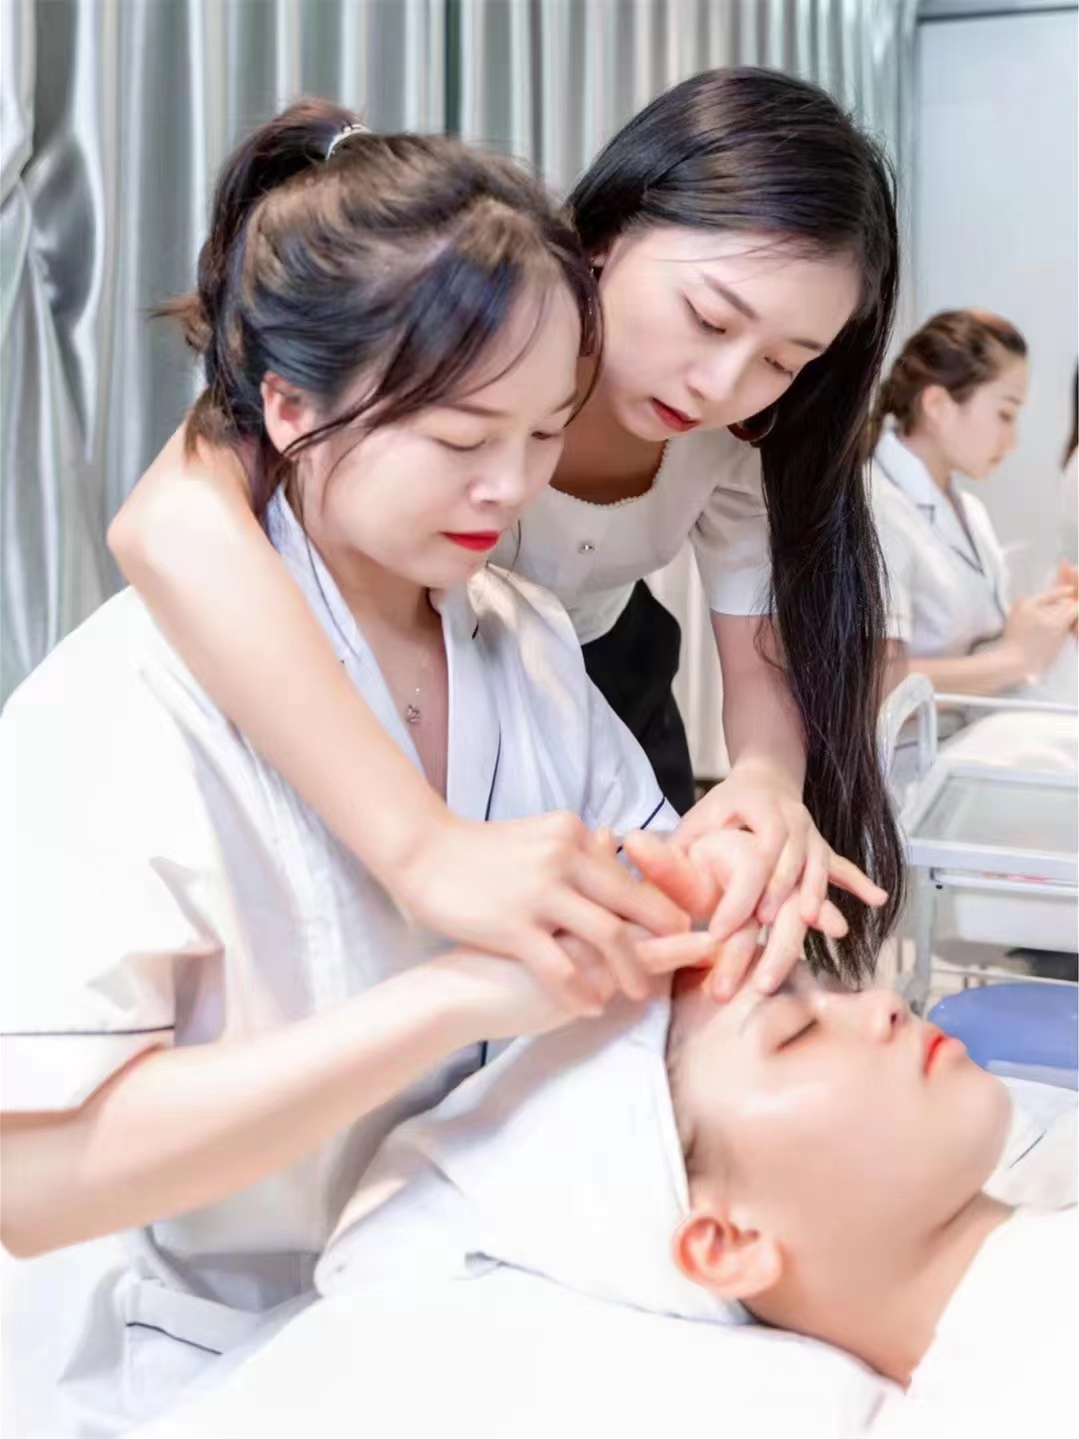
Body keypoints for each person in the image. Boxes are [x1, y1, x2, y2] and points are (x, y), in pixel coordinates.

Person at [3, 99, 810, 1436]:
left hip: (441, 1309)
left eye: (543, 433)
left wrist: (714, 868)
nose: (510, 488)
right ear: (289, 405)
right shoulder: (126, 698)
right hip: (182, 1357)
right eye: (458, 438)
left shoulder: (522, 641)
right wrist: (447, 997)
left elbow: (639, 862)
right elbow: (31, 1182)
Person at [108, 67, 905, 992]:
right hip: (393, 656)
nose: (721, 386)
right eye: (707, 319)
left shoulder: (735, 445)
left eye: (783, 361)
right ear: (604, 236)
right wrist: (422, 848)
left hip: (584, 668)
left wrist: (764, 782)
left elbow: (757, 651)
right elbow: (168, 523)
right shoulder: (472, 315)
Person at [869, 310, 1077, 704]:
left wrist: (1048, 617)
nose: (1012, 442)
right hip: (922, 741)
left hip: (974, 725)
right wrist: (1016, 658)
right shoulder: (875, 509)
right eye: (1005, 415)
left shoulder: (969, 510)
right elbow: (875, 684)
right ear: (937, 405)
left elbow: (977, 644)